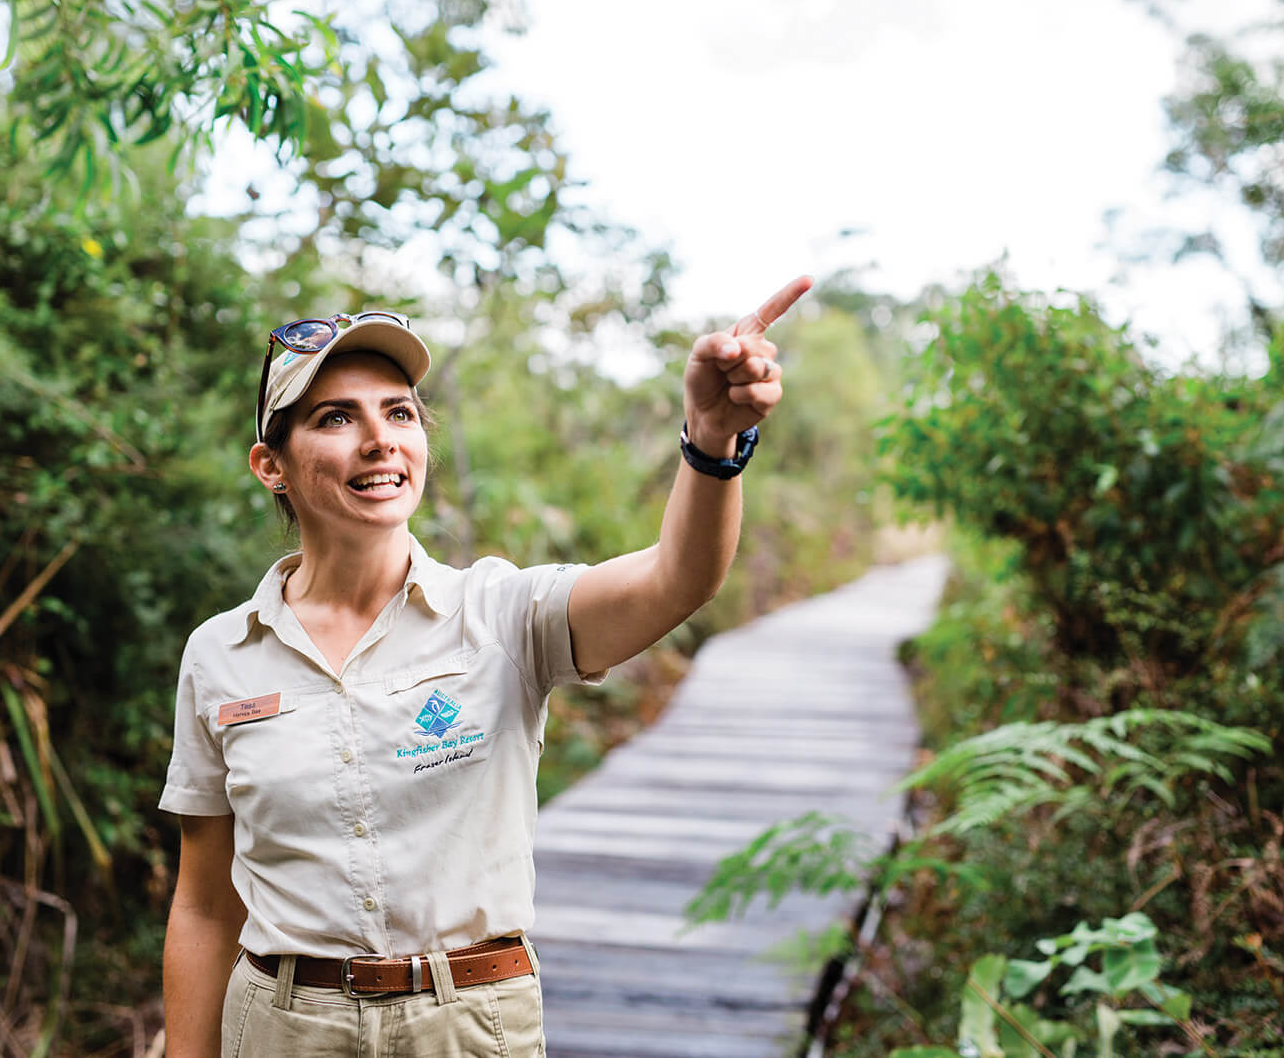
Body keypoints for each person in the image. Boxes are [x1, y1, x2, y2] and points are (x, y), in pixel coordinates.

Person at [158, 275, 812, 1056]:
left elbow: (678, 579)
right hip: (283, 1026)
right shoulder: (222, 654)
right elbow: (203, 904)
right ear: (272, 465)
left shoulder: (502, 614)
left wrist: (711, 445)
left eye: (399, 412)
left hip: (466, 1025)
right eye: (337, 417)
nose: (380, 439)